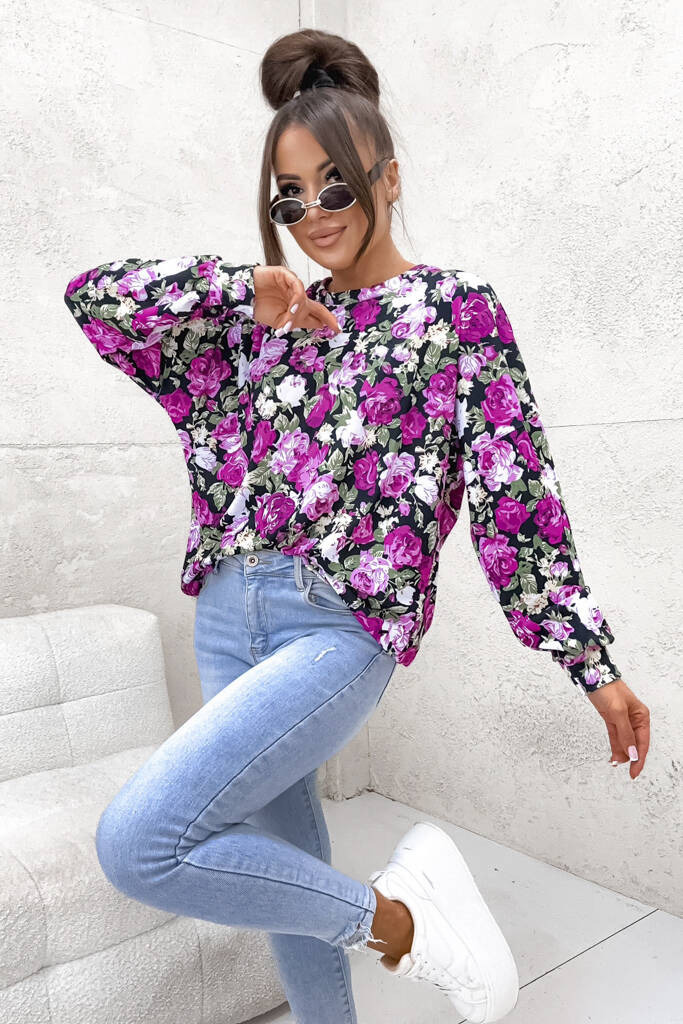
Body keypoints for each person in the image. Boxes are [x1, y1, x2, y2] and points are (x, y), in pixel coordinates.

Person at [62, 26, 650, 1024]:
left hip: (335, 627)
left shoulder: (453, 312)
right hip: (226, 615)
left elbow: (515, 498)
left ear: (388, 175)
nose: (313, 214)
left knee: (140, 842)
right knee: (281, 866)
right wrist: (239, 289)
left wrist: (587, 660)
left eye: (335, 184)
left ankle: (404, 926)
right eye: (288, 197)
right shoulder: (262, 322)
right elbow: (95, 301)